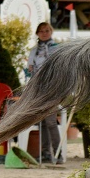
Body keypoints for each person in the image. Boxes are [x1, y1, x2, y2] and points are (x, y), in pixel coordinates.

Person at [27, 22, 63, 164]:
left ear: (51, 32)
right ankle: (45, 153)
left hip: (52, 88)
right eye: (41, 31)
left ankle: (58, 153)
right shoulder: (34, 51)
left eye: (47, 30)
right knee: (41, 122)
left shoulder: (56, 48)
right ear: (37, 33)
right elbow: (30, 70)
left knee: (51, 122)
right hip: (38, 89)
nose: (44, 33)